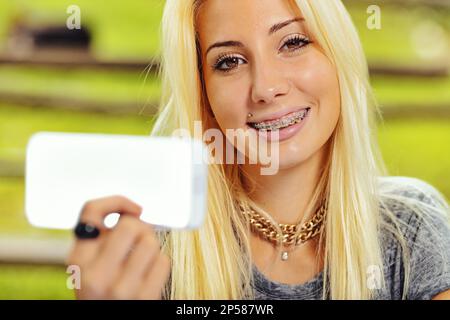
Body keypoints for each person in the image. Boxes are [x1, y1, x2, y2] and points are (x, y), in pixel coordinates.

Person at [67, 0, 450, 300]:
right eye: (229, 61)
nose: (265, 88)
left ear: (337, 54)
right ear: (203, 91)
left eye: (293, 42)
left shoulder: (412, 232)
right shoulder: (154, 251)